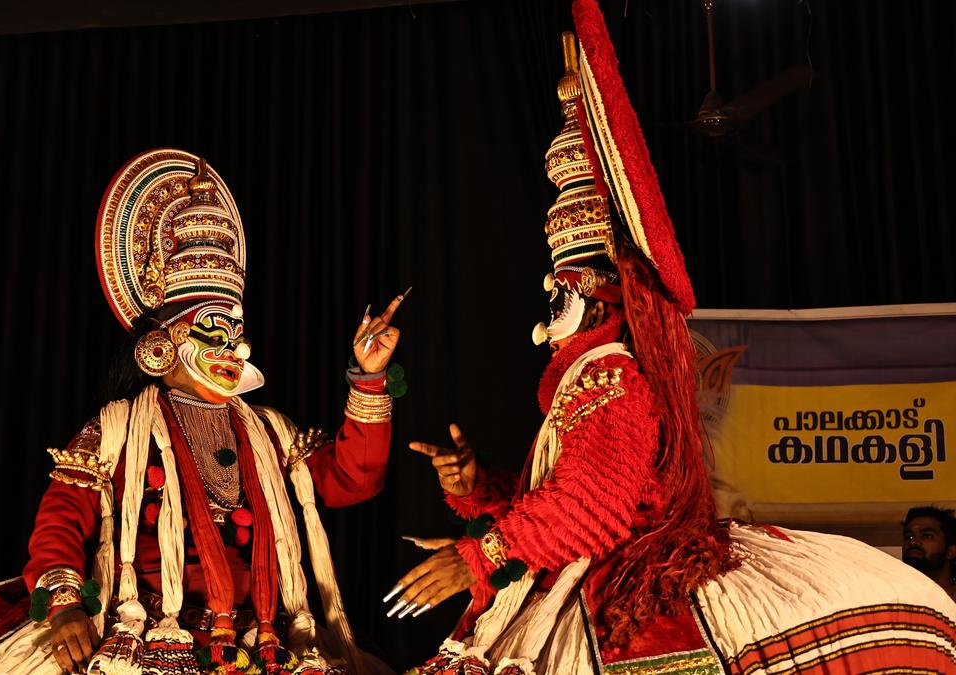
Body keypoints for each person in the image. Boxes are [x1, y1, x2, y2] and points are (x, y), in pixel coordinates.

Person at [390, 2, 956, 673]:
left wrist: (475, 557)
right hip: (582, 565)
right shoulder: (586, 377)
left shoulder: (610, 374)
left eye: (559, 284)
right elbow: (565, 497)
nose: (548, 298)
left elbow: (590, 510)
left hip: (616, 566)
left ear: (599, 288)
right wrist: (480, 487)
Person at [0, 149, 402, 674]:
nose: (235, 347)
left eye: (237, 332)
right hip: (150, 633)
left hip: (264, 639)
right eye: (213, 328)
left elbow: (356, 475)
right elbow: (61, 521)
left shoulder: (269, 433)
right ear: (161, 344)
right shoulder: (116, 430)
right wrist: (63, 606)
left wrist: (370, 375)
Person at [903, 506, 956, 601]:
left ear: (951, 552)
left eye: (927, 536)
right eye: (909, 537)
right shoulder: (896, 596)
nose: (914, 542)